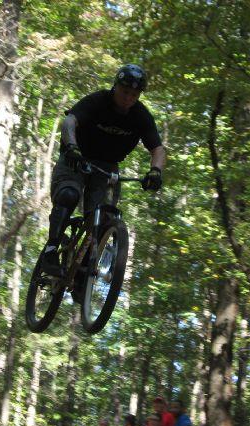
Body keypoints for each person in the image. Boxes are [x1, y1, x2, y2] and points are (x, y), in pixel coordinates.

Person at [41, 63, 167, 277]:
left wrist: (155, 171)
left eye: (134, 94)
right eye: (125, 91)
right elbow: (70, 121)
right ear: (115, 86)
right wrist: (71, 146)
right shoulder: (97, 101)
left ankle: (84, 271)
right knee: (69, 194)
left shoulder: (141, 116)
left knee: (104, 218)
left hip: (107, 167)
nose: (129, 97)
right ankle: (51, 249)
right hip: (76, 158)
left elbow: (158, 148)